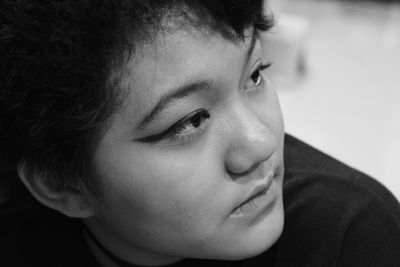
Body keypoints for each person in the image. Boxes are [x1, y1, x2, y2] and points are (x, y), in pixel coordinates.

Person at [1, 0, 400, 266]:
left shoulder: (347, 238)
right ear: (60, 185)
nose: (261, 144)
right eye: (188, 122)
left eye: (255, 76)